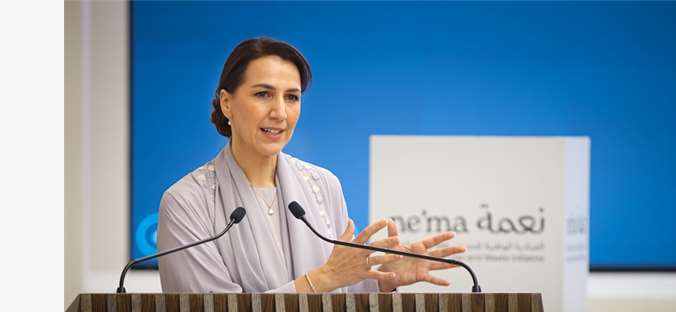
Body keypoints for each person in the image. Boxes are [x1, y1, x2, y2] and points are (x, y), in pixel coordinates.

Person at [157, 37, 465, 293]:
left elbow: (341, 293)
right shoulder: (186, 203)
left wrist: (382, 278)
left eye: (291, 97)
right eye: (263, 94)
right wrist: (321, 279)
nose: (280, 112)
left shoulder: (323, 185)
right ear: (227, 103)